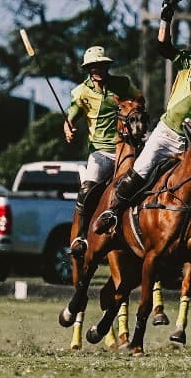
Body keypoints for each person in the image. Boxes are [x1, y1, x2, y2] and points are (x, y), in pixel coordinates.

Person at [92, 0, 191, 234]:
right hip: (167, 133)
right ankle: (112, 213)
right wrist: (165, 19)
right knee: (141, 171)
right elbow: (165, 48)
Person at [63, 46, 143, 257]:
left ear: (107, 66)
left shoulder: (122, 84)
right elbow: (71, 116)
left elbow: (139, 98)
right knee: (87, 188)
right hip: (102, 152)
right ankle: (80, 236)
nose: (96, 69)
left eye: (100, 65)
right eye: (92, 66)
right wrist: (68, 127)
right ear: (87, 69)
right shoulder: (80, 92)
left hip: (128, 149)